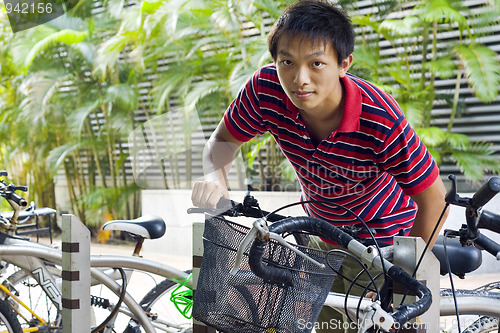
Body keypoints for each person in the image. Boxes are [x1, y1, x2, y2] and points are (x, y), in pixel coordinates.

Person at [191, 0, 448, 331]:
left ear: (343, 64)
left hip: (383, 244)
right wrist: (215, 179)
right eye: (287, 62)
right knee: (325, 325)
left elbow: (434, 199)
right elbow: (220, 144)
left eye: (316, 63)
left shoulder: (378, 116)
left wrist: (401, 276)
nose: (300, 79)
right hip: (318, 237)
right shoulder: (266, 90)